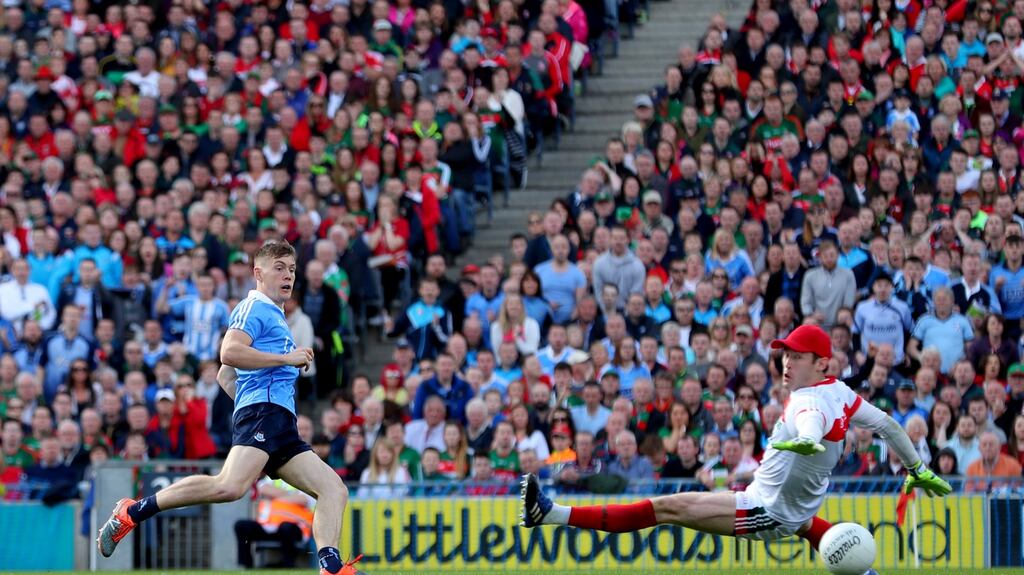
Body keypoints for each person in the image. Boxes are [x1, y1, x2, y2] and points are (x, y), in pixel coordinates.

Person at [521, 325, 950, 560]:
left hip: (763, 511)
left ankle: (551, 514)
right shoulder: (841, 393)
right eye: (785, 355)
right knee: (801, 522)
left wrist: (805, 439)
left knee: (667, 507)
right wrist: (917, 468)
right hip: (785, 508)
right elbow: (891, 426)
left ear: (822, 363)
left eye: (797, 357)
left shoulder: (809, 401)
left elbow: (810, 421)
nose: (786, 364)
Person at [97, 242, 361, 575]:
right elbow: (229, 354)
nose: (288, 275)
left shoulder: (274, 314)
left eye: (292, 269)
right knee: (229, 486)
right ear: (258, 273)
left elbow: (226, 375)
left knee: (333, 489)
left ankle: (331, 567)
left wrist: (249, 396)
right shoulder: (255, 307)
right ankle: (132, 512)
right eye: (279, 267)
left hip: (279, 422)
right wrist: (283, 363)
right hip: (264, 414)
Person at [234, 478, 314, 569]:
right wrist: (290, 495)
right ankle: (247, 567)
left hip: (295, 528)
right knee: (241, 525)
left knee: (286, 527)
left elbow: (304, 499)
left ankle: (288, 566)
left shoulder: (305, 479)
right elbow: (262, 488)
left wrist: (274, 496)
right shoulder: (274, 476)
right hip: (268, 525)